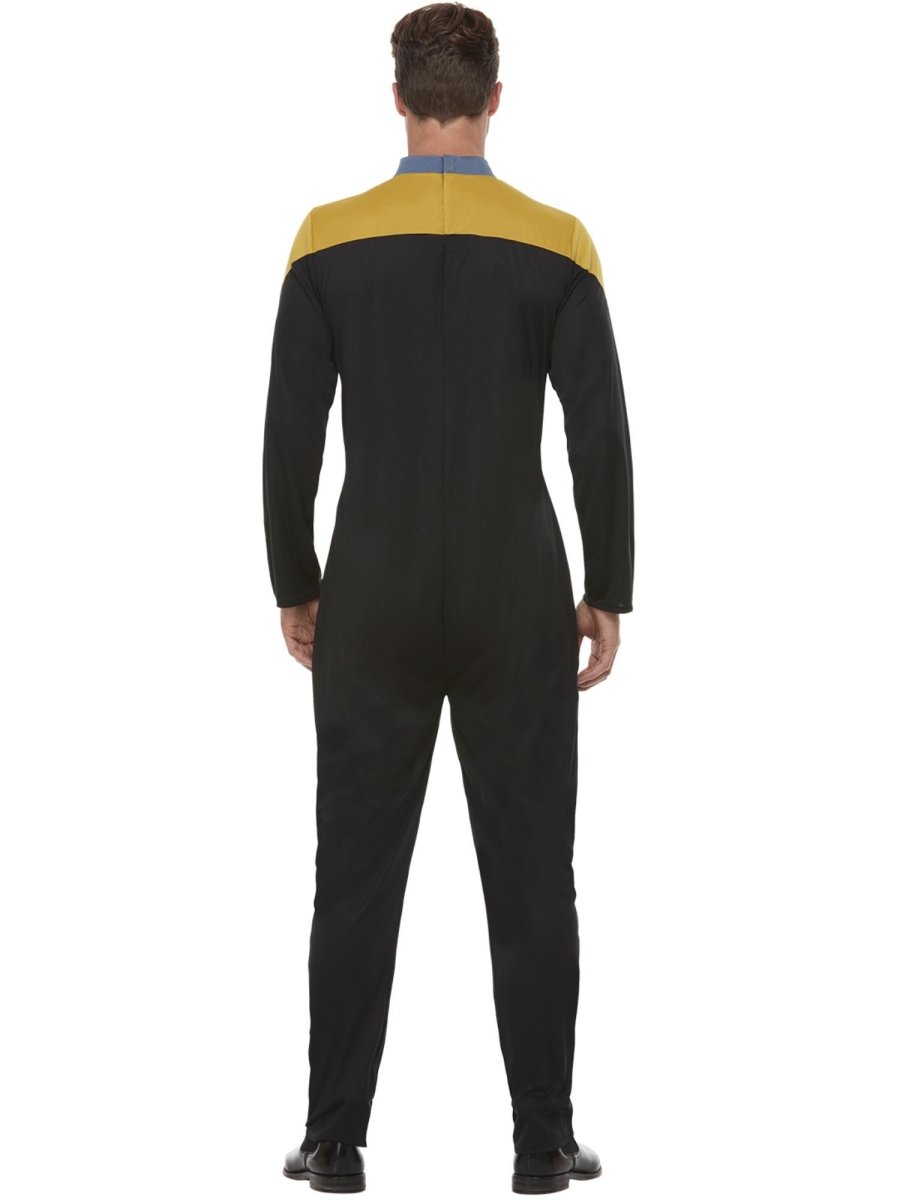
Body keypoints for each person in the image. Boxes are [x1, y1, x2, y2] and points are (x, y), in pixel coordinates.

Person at [262, 3, 634, 1192]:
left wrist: (295, 581)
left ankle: (334, 1141)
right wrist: (608, 587)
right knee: (532, 872)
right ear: (494, 99)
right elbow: (598, 434)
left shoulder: (325, 241)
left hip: (368, 590)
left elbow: (290, 436)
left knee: (354, 872)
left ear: (397, 100)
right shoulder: (558, 243)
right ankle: (541, 1143)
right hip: (515, 588)